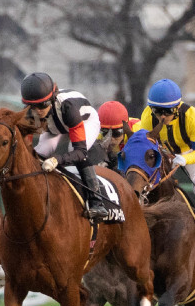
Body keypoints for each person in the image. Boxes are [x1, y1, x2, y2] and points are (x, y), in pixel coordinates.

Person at [134, 78, 195, 249]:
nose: (162, 117)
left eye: (167, 111)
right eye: (157, 111)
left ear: (177, 108)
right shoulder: (147, 117)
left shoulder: (192, 116)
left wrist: (185, 159)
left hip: (191, 151)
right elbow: (146, 145)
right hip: (165, 152)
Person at [21, 72, 109, 220]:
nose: (38, 111)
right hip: (55, 127)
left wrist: (56, 160)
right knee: (39, 152)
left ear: (52, 98)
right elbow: (27, 146)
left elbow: (80, 152)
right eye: (33, 106)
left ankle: (96, 201)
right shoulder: (30, 113)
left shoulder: (68, 107)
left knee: (72, 150)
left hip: (84, 121)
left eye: (43, 105)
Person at [96, 100, 140, 170]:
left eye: (116, 133)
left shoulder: (138, 131)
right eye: (105, 132)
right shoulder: (97, 135)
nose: (111, 138)